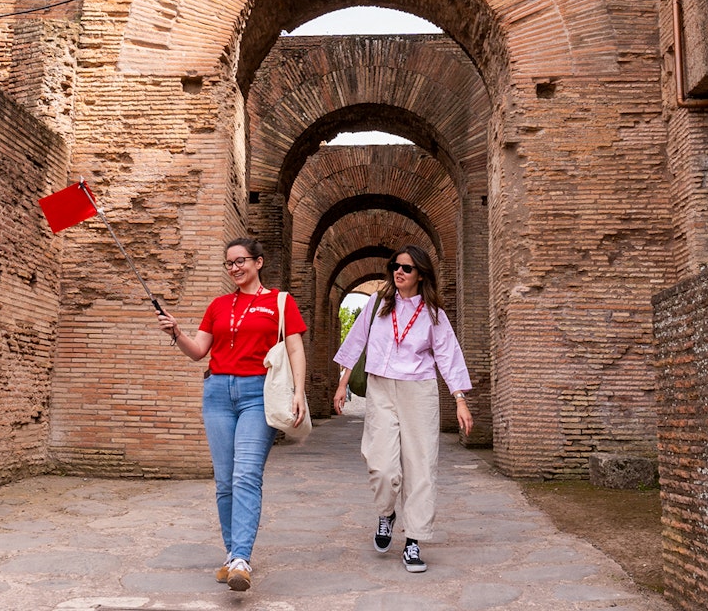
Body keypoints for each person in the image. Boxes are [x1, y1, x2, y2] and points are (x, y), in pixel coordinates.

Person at [157, 238, 308, 592]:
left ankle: (241, 556)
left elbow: (295, 348)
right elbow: (198, 351)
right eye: (229, 263)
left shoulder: (279, 302)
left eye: (240, 261)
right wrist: (177, 332)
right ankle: (231, 555)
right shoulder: (218, 305)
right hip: (217, 395)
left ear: (258, 262)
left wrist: (298, 392)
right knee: (225, 481)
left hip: (259, 394)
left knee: (246, 475)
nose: (234, 268)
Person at [332, 244, 473, 573]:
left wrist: (460, 399)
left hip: (419, 391)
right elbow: (355, 341)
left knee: (420, 467)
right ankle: (386, 513)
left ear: (420, 274)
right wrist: (342, 383)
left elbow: (448, 356)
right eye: (395, 265)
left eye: (407, 268)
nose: (399, 271)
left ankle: (414, 541)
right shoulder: (378, 303)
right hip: (380, 387)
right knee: (380, 465)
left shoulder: (433, 313)